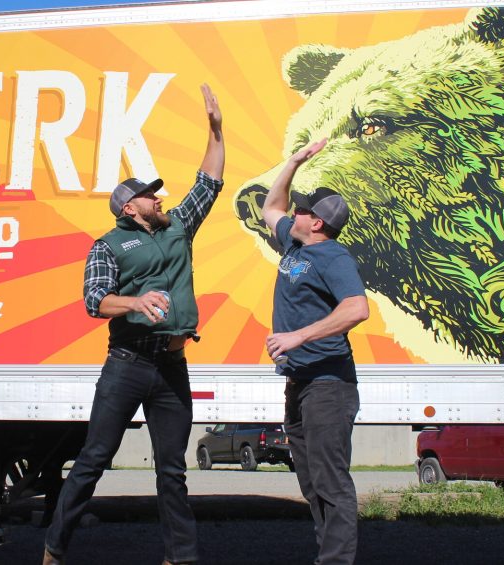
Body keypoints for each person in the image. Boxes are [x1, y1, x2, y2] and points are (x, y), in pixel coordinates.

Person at [43, 84, 224, 565]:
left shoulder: (177, 226)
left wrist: (216, 130)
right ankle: (54, 549)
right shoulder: (107, 245)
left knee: (172, 471)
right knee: (93, 460)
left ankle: (180, 557)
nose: (158, 198)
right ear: (129, 207)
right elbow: (95, 302)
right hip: (126, 365)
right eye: (149, 195)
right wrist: (136, 301)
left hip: (171, 366)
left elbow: (208, 182)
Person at [261, 138, 369, 565]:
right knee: (310, 482)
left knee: (331, 482)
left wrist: (299, 336)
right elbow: (271, 206)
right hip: (300, 383)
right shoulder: (294, 243)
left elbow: (357, 308)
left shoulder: (332, 256)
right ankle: (327, 555)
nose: (294, 212)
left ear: (318, 223)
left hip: (329, 386)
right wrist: (293, 162)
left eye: (303, 210)